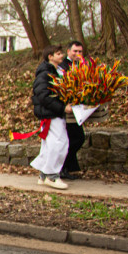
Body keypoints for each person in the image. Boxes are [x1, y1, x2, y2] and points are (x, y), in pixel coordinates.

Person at [30, 44, 73, 190]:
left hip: (53, 113)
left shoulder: (55, 72)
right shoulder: (45, 74)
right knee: (59, 143)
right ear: (51, 56)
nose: (62, 56)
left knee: (50, 145)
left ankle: (44, 175)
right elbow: (43, 96)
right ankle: (52, 176)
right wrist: (62, 108)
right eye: (59, 53)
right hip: (51, 114)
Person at [61, 40, 86, 181]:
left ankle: (67, 166)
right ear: (68, 51)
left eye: (80, 51)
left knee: (77, 138)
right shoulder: (64, 65)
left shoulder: (81, 65)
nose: (77, 54)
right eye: (75, 51)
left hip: (77, 108)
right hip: (68, 108)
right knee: (75, 138)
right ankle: (64, 167)